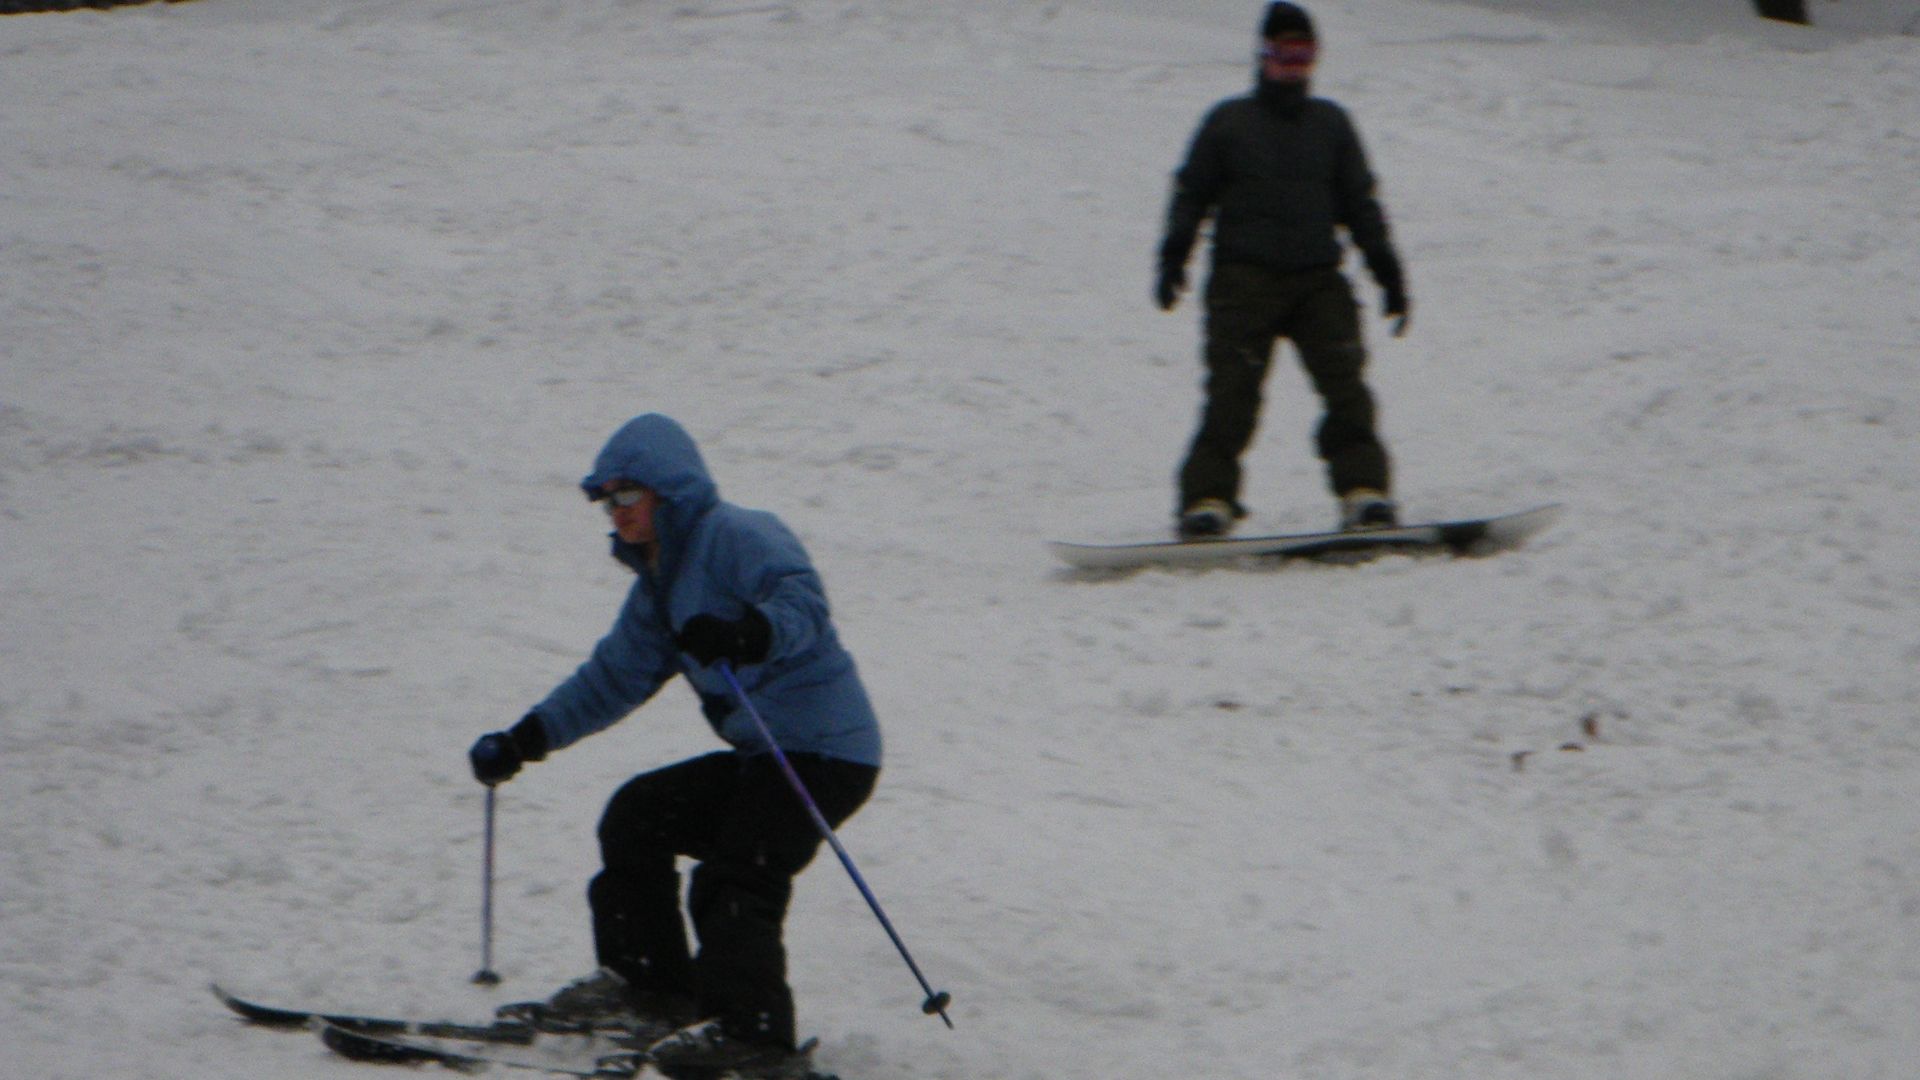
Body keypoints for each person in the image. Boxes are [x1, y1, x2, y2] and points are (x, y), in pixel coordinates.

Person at [467, 413, 881, 1075]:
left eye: (628, 496)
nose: (617, 513)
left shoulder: (737, 536)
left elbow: (802, 601)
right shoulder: (658, 586)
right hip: (763, 757)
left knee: (738, 870)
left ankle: (755, 1036)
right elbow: (611, 679)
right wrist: (525, 739)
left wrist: (749, 631)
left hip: (826, 754)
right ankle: (651, 988)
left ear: (672, 492)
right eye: (606, 500)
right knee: (638, 814)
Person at [1156, 1, 1411, 539]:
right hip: (1243, 282)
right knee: (1232, 396)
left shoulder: (1331, 124)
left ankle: (1364, 493)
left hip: (1318, 280)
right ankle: (1206, 501)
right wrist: (1173, 255)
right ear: (1262, 56)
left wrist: (1387, 269)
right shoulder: (1229, 122)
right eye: (1283, 54)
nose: (1293, 66)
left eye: (1304, 55)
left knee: (1347, 390)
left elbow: (1359, 202)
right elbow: (1192, 192)